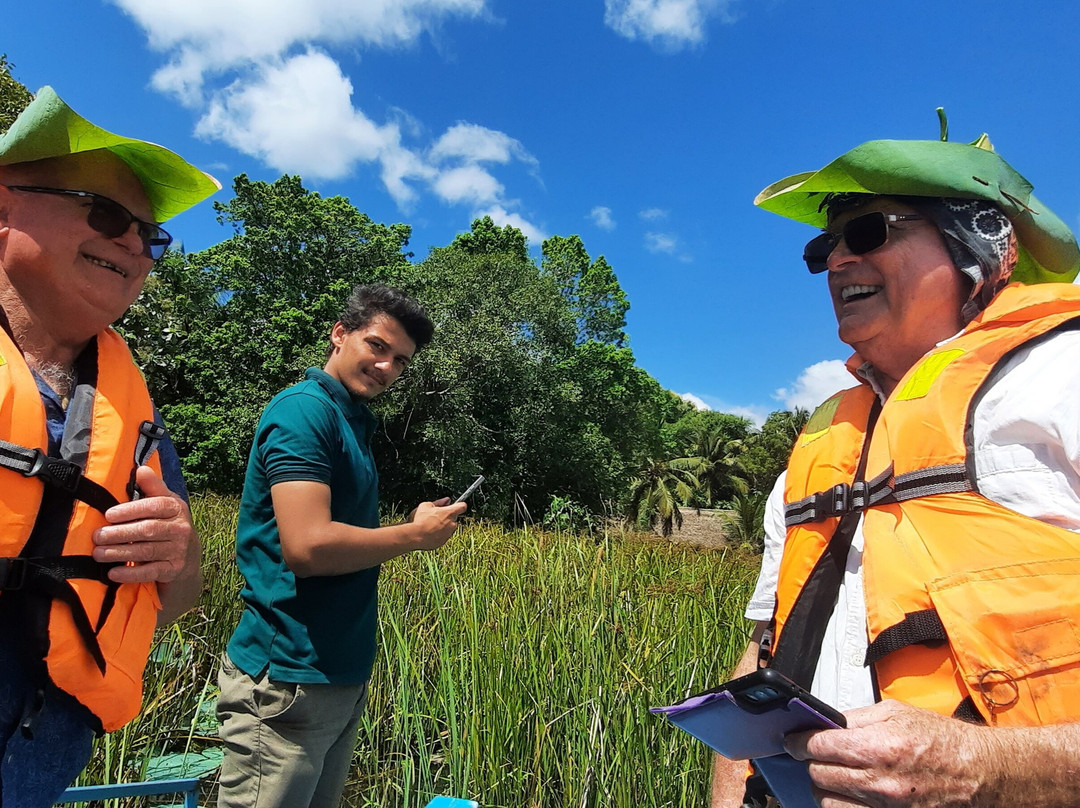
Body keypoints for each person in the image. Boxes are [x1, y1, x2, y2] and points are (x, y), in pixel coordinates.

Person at [710, 126, 1080, 807]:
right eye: (825, 247)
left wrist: (992, 767)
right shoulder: (817, 445)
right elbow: (764, 651)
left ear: (977, 245)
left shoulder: (1064, 378)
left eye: (870, 232)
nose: (837, 261)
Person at [0, 87, 219, 806]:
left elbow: (178, 598)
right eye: (105, 213)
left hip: (37, 755)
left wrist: (179, 555)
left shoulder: (139, 420)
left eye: (150, 237)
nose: (134, 243)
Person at [216, 283, 467, 808]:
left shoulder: (352, 420)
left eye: (400, 361)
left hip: (333, 675)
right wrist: (414, 536)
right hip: (284, 677)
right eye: (377, 346)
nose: (387, 367)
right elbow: (308, 548)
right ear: (339, 334)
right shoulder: (305, 412)